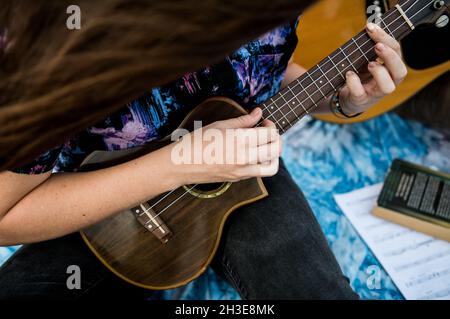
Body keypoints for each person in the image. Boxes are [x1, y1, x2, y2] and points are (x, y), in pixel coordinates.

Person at [0, 17, 406, 300]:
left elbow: (256, 68)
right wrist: (180, 164)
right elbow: (5, 218)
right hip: (98, 192)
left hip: (238, 166)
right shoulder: (60, 39)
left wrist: (343, 98)